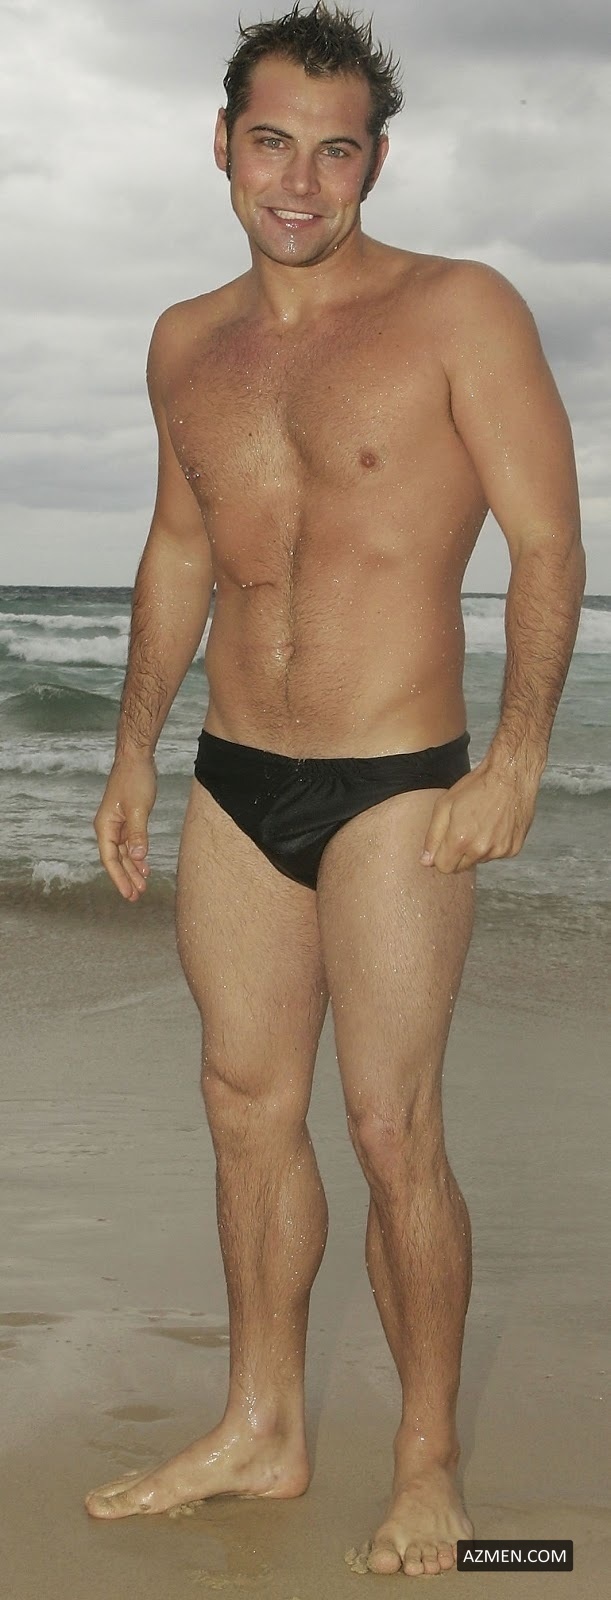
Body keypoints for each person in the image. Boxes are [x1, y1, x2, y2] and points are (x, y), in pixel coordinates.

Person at [86, 1, 585, 1579]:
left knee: (387, 1125)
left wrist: (518, 755)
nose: (299, 181)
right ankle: (261, 1424)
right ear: (222, 146)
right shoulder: (186, 343)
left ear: (378, 160)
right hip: (239, 776)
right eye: (271, 143)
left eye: (336, 149)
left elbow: (549, 543)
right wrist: (133, 747)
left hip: (396, 782)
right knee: (245, 1107)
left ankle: (427, 1461)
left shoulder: (461, 312)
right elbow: (181, 549)